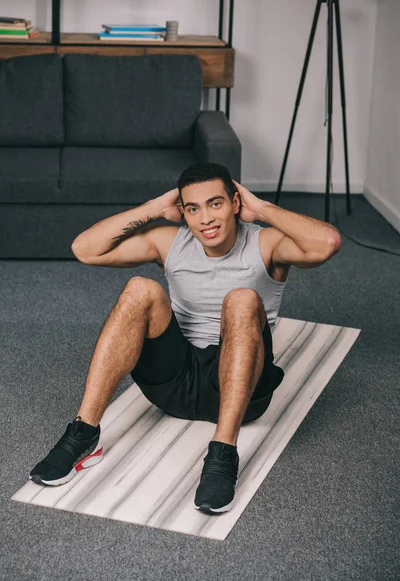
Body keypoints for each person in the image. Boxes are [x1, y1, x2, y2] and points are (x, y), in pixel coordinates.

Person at [29, 163, 342, 514]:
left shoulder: (265, 242)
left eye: (215, 204)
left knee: (241, 299)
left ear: (235, 202)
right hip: (173, 385)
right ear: (183, 212)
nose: (205, 218)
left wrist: (263, 209)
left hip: (238, 390)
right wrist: (153, 209)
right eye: (193, 208)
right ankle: (83, 432)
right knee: (139, 289)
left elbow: (328, 243)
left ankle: (223, 452)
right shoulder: (171, 242)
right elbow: (85, 249)